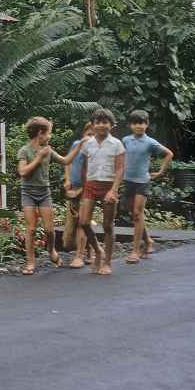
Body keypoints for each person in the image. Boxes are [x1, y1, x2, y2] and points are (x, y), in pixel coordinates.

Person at [17, 117, 84, 275]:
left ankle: (51, 248)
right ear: (40, 133)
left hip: (44, 192)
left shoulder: (48, 150)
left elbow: (66, 160)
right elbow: (23, 172)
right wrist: (39, 157)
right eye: (49, 133)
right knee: (31, 229)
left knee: (49, 229)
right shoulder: (25, 151)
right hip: (28, 192)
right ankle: (30, 262)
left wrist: (80, 145)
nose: (50, 136)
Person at [77, 108, 125, 275]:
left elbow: (119, 169)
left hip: (109, 186)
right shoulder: (87, 144)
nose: (101, 125)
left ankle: (107, 262)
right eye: (98, 122)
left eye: (105, 122)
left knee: (107, 226)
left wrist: (114, 190)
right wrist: (83, 185)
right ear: (92, 124)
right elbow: (83, 166)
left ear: (111, 125)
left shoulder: (117, 144)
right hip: (90, 185)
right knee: (83, 222)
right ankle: (98, 250)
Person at [122, 110, 173, 264]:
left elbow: (169, 154)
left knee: (137, 214)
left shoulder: (150, 142)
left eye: (142, 123)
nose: (139, 126)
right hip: (127, 181)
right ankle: (148, 240)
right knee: (135, 215)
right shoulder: (126, 140)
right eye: (136, 123)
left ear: (147, 124)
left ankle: (135, 251)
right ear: (131, 125)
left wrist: (160, 172)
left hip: (142, 181)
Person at [64, 122, 95, 267]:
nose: (91, 137)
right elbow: (68, 161)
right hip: (74, 188)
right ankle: (90, 250)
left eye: (94, 135)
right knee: (76, 222)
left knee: (82, 222)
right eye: (89, 134)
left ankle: (79, 256)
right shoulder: (77, 144)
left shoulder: (97, 149)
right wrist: (68, 179)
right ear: (84, 134)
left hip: (89, 188)